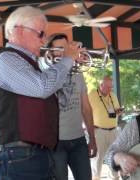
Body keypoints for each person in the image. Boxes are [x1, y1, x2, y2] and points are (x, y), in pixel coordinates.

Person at [0, 6, 83, 180]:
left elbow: (60, 101)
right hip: (20, 156)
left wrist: (69, 69)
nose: (44, 40)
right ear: (18, 30)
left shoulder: (32, 65)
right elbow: (42, 87)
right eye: (40, 34)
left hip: (35, 155)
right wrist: (68, 59)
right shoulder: (7, 59)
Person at [46, 33, 97, 180]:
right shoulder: (46, 74)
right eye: (59, 48)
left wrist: (92, 138)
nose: (64, 51)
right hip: (56, 143)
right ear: (50, 52)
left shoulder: (78, 74)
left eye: (66, 47)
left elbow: (86, 108)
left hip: (79, 140)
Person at [88, 75, 123, 180]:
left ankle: (114, 177)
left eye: (111, 87)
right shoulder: (92, 94)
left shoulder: (113, 95)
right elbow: (85, 111)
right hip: (99, 131)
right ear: (101, 85)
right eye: (107, 87)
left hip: (113, 131)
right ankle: (96, 177)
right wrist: (87, 126)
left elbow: (116, 110)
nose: (109, 89)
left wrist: (119, 111)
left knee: (114, 155)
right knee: (98, 157)